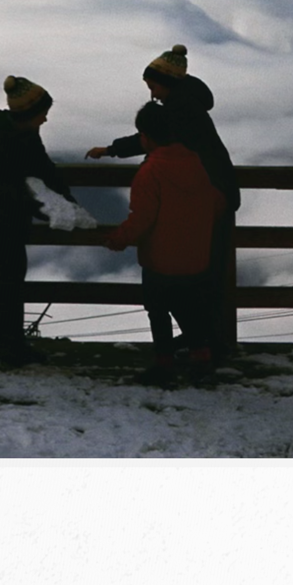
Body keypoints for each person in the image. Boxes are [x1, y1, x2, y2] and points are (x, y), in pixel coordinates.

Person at [87, 44, 243, 362]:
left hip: (210, 200)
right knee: (203, 276)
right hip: (214, 197)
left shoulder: (178, 111)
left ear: (167, 83)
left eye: (154, 86)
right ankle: (207, 344)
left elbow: (151, 138)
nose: (152, 94)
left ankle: (199, 347)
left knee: (191, 282)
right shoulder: (188, 105)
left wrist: (110, 150)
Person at [78, 99, 228, 380]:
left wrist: (117, 239)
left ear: (146, 137)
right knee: (190, 309)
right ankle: (201, 360)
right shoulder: (195, 162)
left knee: (158, 311)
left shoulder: (150, 172)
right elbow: (216, 201)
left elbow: (142, 218)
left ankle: (164, 365)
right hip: (195, 257)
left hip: (160, 259)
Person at [0, 77, 72, 362]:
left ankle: (6, 341)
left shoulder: (21, 134)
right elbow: (8, 186)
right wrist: (45, 205)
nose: (45, 119)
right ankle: (8, 344)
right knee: (10, 281)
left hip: (7, 220)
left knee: (11, 280)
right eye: (42, 113)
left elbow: (43, 168)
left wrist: (64, 199)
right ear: (28, 114)